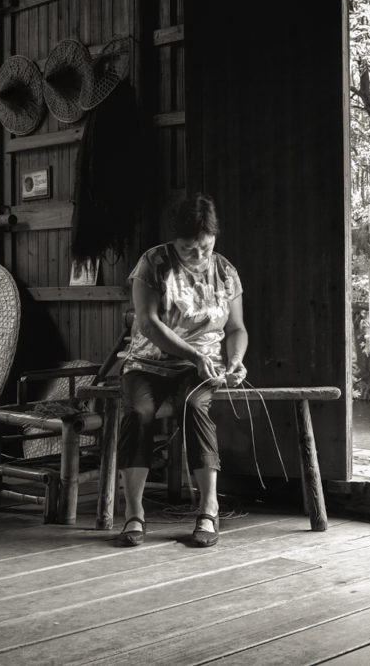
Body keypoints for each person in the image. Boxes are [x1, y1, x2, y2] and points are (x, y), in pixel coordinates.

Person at [115, 193, 248, 548]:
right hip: (147, 363)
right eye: (190, 248)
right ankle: (134, 512)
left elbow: (236, 329)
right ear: (175, 240)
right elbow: (147, 323)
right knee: (139, 413)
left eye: (205, 247)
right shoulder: (153, 263)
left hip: (202, 366)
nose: (199, 256)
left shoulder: (225, 271)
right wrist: (192, 354)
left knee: (193, 406)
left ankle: (208, 509)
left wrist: (234, 360)